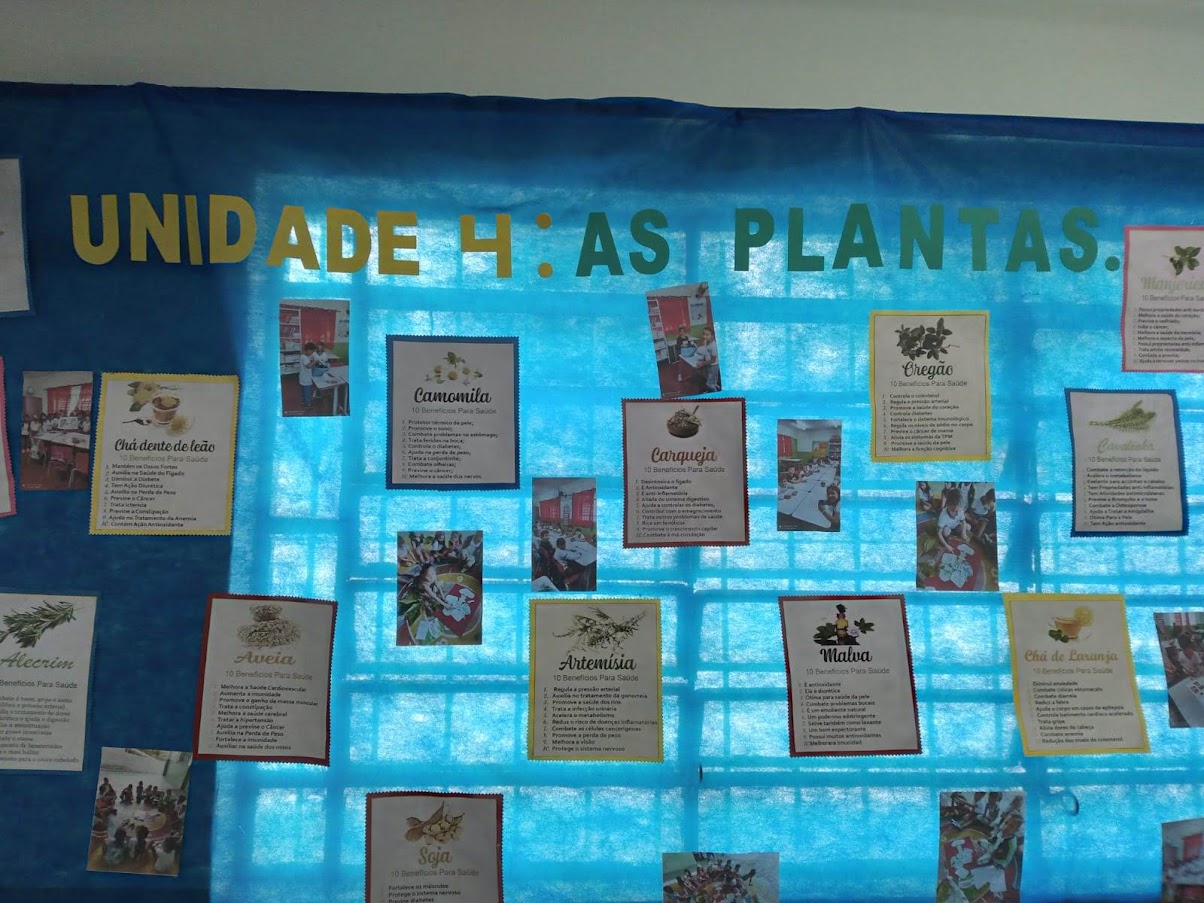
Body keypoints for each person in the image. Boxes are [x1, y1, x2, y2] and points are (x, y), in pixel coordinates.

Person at [937, 488, 972, 554]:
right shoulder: (943, 515)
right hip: (948, 529)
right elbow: (939, 533)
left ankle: (956, 536)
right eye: (952, 509)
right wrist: (946, 545)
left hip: (956, 527)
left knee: (968, 527)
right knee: (946, 531)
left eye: (957, 509)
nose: (955, 511)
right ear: (947, 504)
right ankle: (949, 538)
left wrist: (964, 532)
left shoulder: (960, 509)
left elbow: (963, 521)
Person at [694, 326, 720, 392]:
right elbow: (705, 349)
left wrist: (702, 363)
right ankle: (714, 385)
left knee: (709, 382)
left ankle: (713, 391)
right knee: (711, 377)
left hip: (713, 365)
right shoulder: (707, 342)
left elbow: (713, 360)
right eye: (704, 334)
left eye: (707, 335)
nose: (705, 336)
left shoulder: (713, 346)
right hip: (709, 363)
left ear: (712, 336)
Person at [297, 342, 318, 408]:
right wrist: (315, 361)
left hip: (302, 377)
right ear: (308, 350)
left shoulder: (303, 355)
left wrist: (311, 359)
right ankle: (308, 404)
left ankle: (303, 401)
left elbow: (307, 362)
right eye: (312, 351)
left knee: (303, 391)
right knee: (307, 392)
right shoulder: (305, 358)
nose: (312, 353)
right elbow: (308, 366)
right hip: (306, 378)